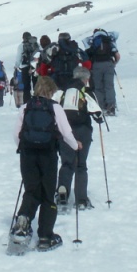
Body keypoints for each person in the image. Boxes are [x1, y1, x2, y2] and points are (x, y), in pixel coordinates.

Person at [11, 76, 82, 252]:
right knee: (48, 194)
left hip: (27, 155)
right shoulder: (55, 107)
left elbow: (16, 134)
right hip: (47, 155)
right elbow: (66, 133)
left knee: (31, 190)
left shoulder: (26, 107)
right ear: (51, 91)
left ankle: (23, 221)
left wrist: (23, 147)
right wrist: (76, 146)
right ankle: (45, 236)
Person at [55, 66, 103, 210]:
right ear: (86, 79)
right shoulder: (86, 92)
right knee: (81, 164)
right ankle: (81, 199)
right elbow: (98, 114)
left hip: (64, 130)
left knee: (66, 163)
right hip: (83, 131)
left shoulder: (62, 91)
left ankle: (62, 192)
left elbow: (53, 106)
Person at [84, 28, 120, 115]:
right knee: (109, 86)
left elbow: (87, 56)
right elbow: (117, 55)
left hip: (96, 65)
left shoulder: (92, 42)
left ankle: (101, 106)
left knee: (98, 87)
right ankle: (111, 107)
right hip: (108, 64)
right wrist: (114, 63)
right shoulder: (109, 41)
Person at [13, 32, 39, 104]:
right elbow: (40, 52)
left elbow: (18, 58)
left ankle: (27, 103)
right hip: (35, 66)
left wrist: (16, 66)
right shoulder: (36, 43)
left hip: (25, 66)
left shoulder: (21, 45)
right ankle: (37, 101)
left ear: (23, 38)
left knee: (26, 86)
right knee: (36, 85)